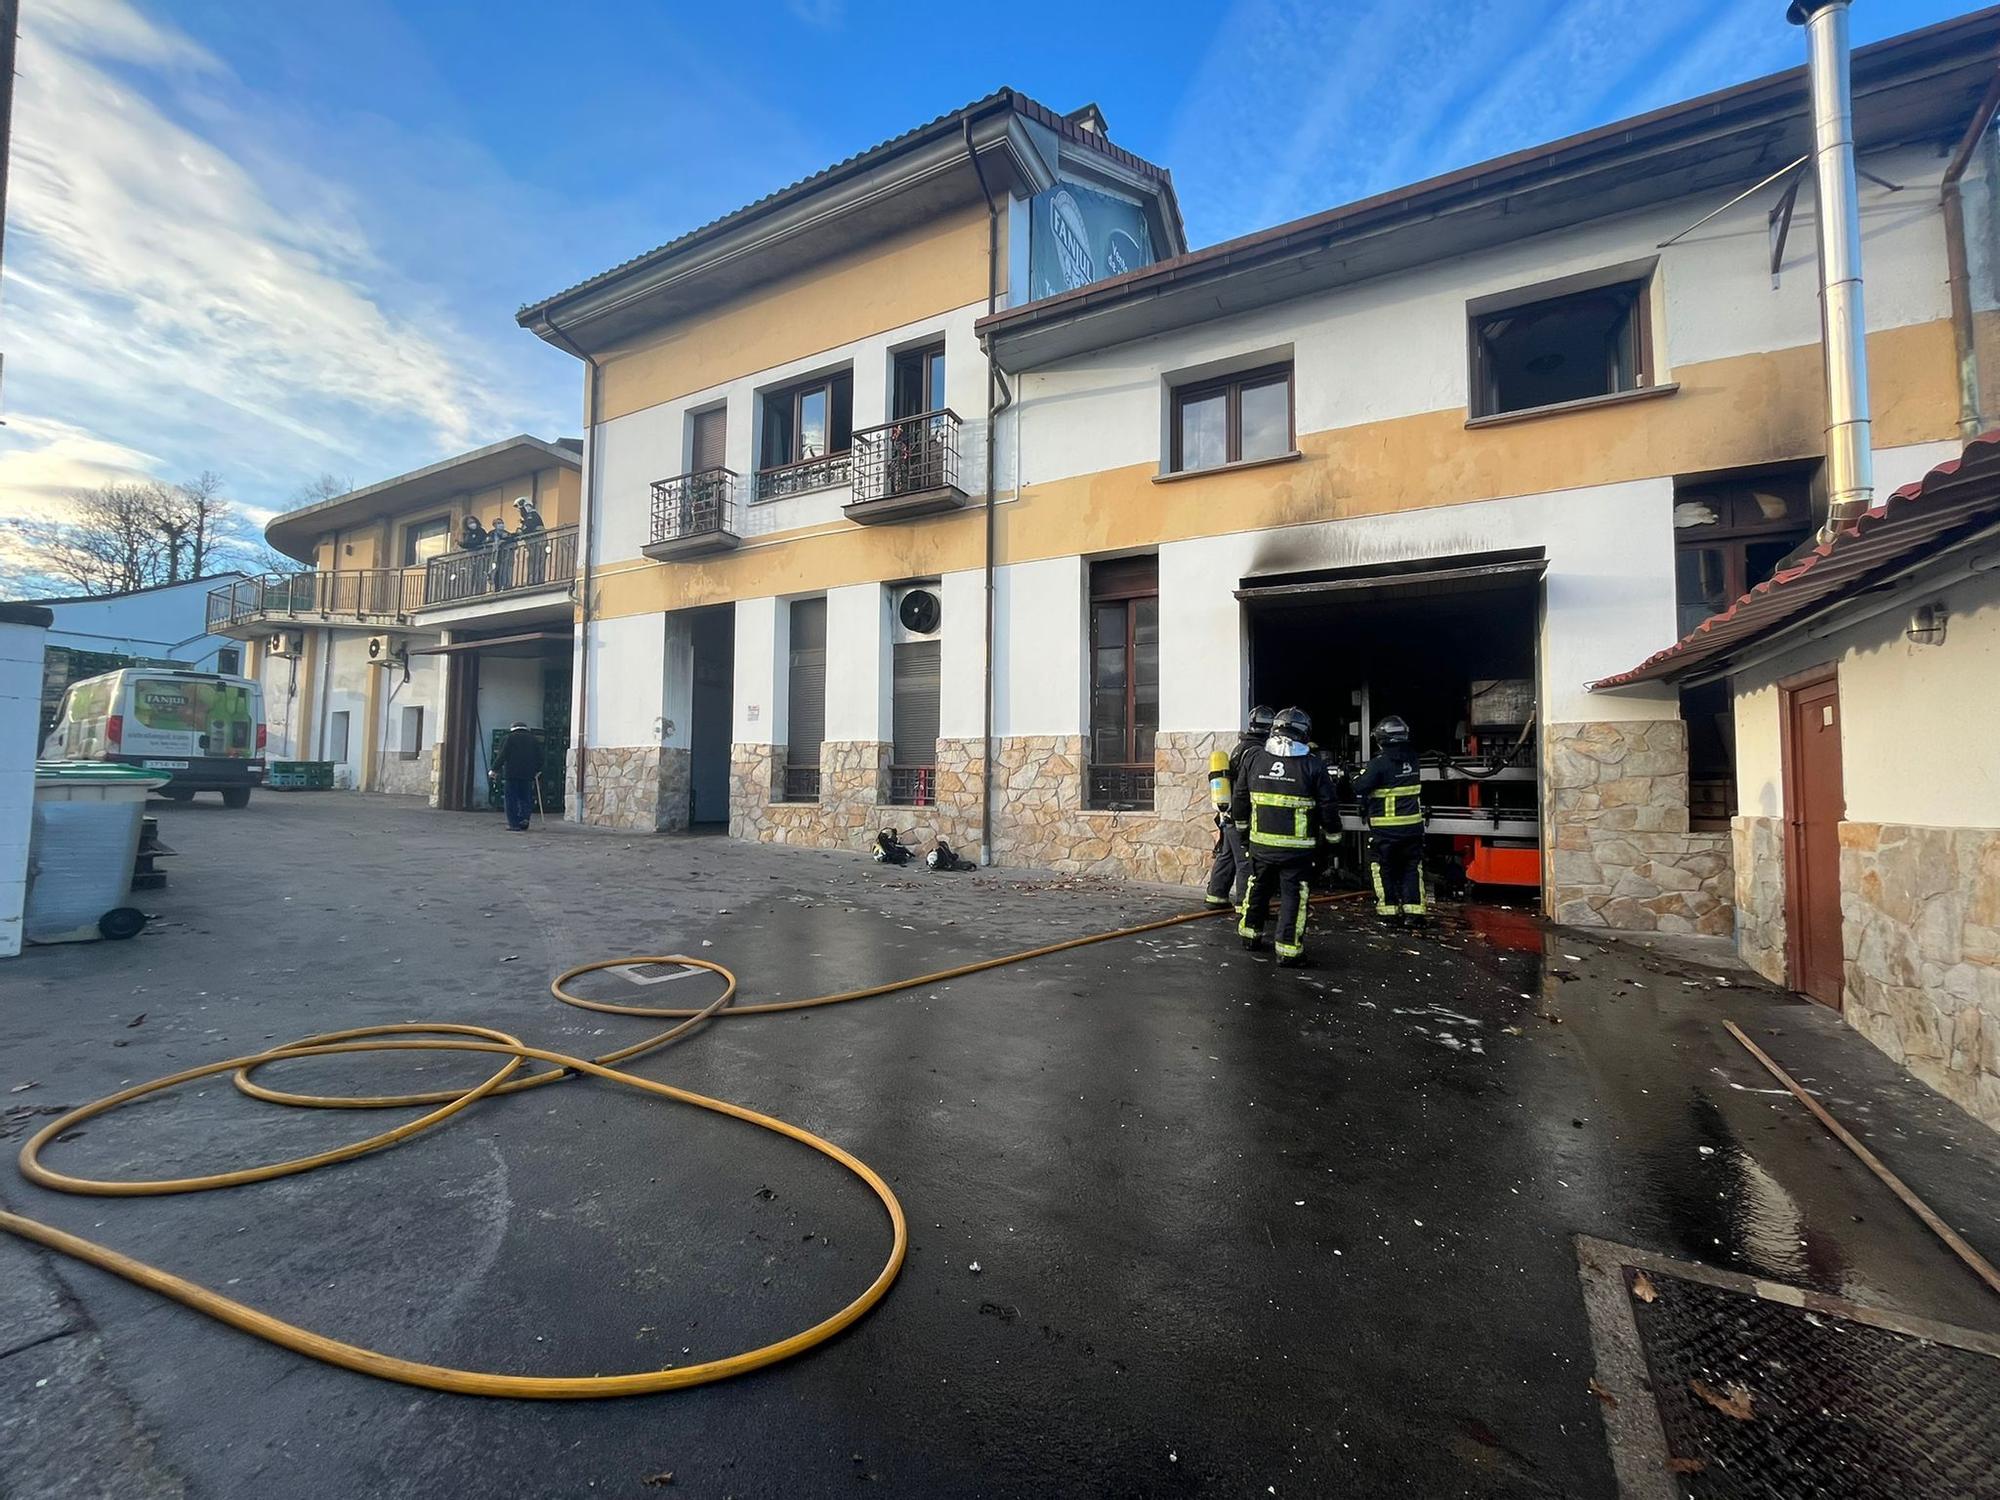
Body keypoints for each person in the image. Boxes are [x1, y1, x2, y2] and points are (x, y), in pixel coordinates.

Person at [1231, 706, 1339, 967]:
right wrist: (1334, 840)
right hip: (1298, 851)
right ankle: (1289, 951)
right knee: (1293, 897)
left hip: (1260, 845)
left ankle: (1250, 936)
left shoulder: (1255, 758)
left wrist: (1243, 833)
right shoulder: (1313, 765)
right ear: (1304, 733)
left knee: (1257, 889)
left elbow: (1240, 799)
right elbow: (1328, 807)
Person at [1353, 714, 1427, 925]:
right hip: (1413, 829)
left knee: (1383, 867)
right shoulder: (1413, 759)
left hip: (1385, 831)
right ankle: (1415, 913)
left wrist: (1354, 776)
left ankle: (1390, 912)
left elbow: (1360, 786)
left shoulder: (1379, 764)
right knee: (1412, 868)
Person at [1205, 705, 1275, 909]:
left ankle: (1216, 897)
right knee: (1247, 860)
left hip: (1228, 813)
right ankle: (1246, 905)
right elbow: (1249, 786)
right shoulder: (1256, 752)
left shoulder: (1241, 747)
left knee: (1227, 856)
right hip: (1239, 814)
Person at [490, 721, 542, 831]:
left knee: (511, 799)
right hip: (528, 774)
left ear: (513, 728)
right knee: (525, 798)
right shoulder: (533, 739)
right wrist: (538, 770)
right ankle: (525, 818)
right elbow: (540, 756)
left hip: (512, 773)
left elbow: (502, 755)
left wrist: (494, 769)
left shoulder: (509, 738)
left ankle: (514, 824)